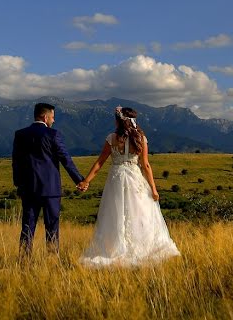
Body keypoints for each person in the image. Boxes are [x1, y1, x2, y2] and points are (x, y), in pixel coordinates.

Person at [77, 106, 180, 267]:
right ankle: (142, 248)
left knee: (115, 213)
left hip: (116, 179)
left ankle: (116, 248)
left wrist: (86, 181)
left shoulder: (111, 138)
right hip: (135, 178)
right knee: (140, 213)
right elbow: (145, 165)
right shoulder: (141, 138)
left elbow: (100, 162)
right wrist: (153, 189)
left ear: (118, 120)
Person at [12, 102, 86, 257]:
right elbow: (65, 159)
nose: (53, 121)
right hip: (51, 189)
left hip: (28, 189)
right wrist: (79, 180)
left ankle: (24, 260)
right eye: (52, 117)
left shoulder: (20, 134)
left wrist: (19, 184)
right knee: (52, 227)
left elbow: (16, 162)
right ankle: (52, 258)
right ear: (45, 117)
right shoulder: (53, 135)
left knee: (27, 226)